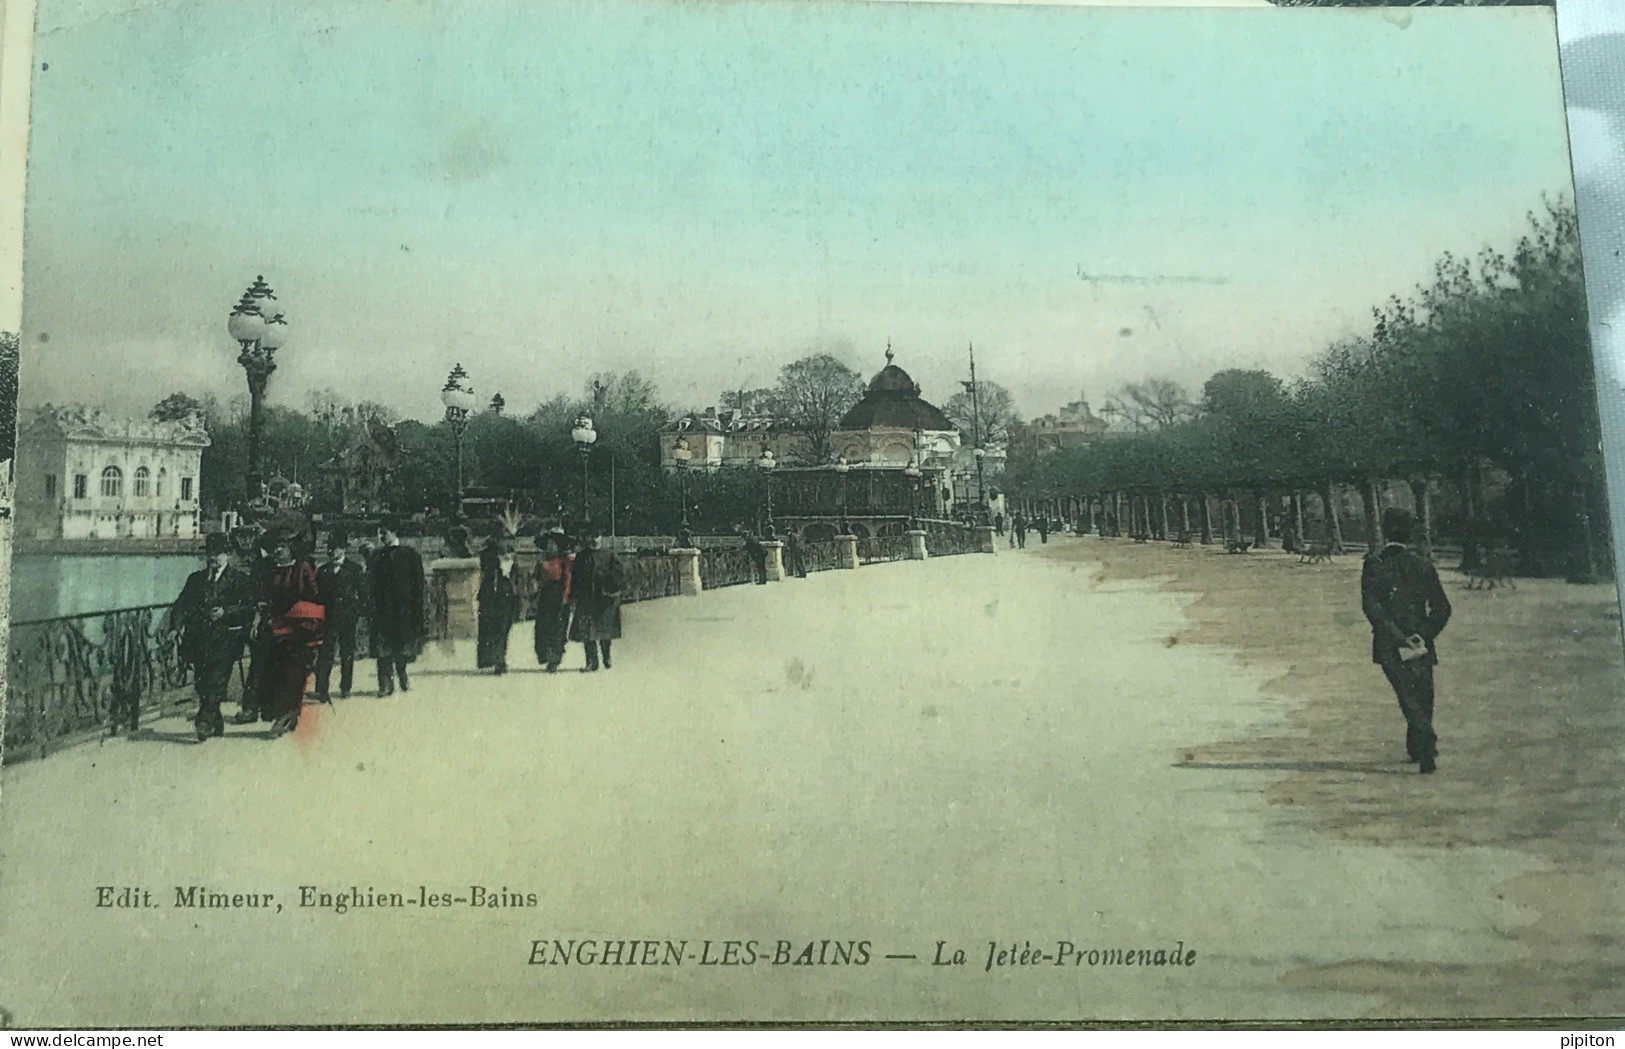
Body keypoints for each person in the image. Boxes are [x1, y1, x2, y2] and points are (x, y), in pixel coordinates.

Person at [1361, 507, 1452, 774]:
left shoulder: (1374, 564)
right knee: (1424, 694)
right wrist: (1422, 635)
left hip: (1389, 643)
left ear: (1384, 530)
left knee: (1407, 695)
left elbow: (1372, 608)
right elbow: (1442, 608)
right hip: (1420, 641)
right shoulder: (1422, 564)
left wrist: (1398, 637)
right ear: (1410, 533)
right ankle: (1422, 745)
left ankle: (1423, 743)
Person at [171, 532, 256, 741]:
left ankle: (204, 722)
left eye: (218, 554)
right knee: (202, 684)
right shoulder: (196, 579)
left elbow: (248, 607)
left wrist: (226, 612)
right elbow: (182, 604)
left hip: (227, 639)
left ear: (227, 555)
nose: (213, 558)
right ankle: (215, 721)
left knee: (216, 682)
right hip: (199, 641)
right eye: (210, 553)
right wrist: (175, 626)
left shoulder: (239, 580)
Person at [259, 535, 323, 736]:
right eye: (276, 546)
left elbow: (312, 596)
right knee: (275, 673)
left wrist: (303, 622)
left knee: (292, 674)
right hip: (275, 630)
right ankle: (285, 715)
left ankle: (285, 716)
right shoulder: (272, 571)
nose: (278, 550)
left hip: (298, 630)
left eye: (282, 546)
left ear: (291, 549)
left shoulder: (301, 569)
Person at [370, 524, 426, 696]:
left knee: (400, 646)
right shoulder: (377, 556)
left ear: (394, 532)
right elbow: (370, 583)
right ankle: (385, 685)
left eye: (384, 533)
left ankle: (402, 673)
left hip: (403, 609)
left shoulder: (409, 554)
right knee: (383, 648)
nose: (381, 537)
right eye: (380, 533)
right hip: (382, 609)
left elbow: (418, 584)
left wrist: (417, 608)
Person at [314, 530, 367, 701]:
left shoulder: (354, 569)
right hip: (327, 618)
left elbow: (363, 595)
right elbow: (317, 596)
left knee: (347, 652)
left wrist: (356, 613)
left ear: (343, 549)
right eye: (330, 548)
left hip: (347, 618)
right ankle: (322, 689)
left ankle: (346, 687)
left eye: (335, 548)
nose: (332, 552)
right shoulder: (322, 571)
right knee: (325, 653)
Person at [569, 533, 626, 672]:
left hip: (604, 598)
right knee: (587, 632)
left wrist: (607, 579)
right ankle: (591, 662)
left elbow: (620, 575)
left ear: (601, 538)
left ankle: (606, 656)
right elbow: (575, 576)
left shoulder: (609, 554)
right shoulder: (582, 556)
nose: (594, 540)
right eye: (591, 537)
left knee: (604, 629)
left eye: (597, 537)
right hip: (586, 597)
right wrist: (573, 595)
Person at [476, 538, 520, 675]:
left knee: (502, 629)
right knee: (492, 629)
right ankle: (495, 659)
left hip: (505, 597)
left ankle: (499, 658)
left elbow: (516, 580)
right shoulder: (490, 559)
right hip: (492, 597)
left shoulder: (512, 561)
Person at [532, 530, 574, 672]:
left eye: (553, 544)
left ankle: (554, 659)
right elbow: (536, 578)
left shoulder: (564, 562)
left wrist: (565, 596)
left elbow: (567, 579)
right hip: (545, 595)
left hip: (558, 595)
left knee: (557, 628)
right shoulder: (542, 561)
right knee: (543, 626)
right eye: (548, 544)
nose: (550, 547)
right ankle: (544, 654)